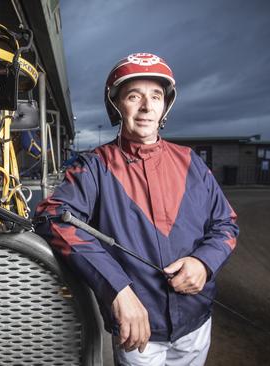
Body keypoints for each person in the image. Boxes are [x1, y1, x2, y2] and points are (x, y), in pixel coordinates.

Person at [34, 52, 238, 366]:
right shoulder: (94, 166)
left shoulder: (191, 162)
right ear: (116, 105)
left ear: (165, 105)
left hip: (197, 323)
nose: (146, 107)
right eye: (134, 96)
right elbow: (53, 217)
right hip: (138, 333)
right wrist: (116, 288)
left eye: (155, 96)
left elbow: (225, 224)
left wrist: (203, 263)